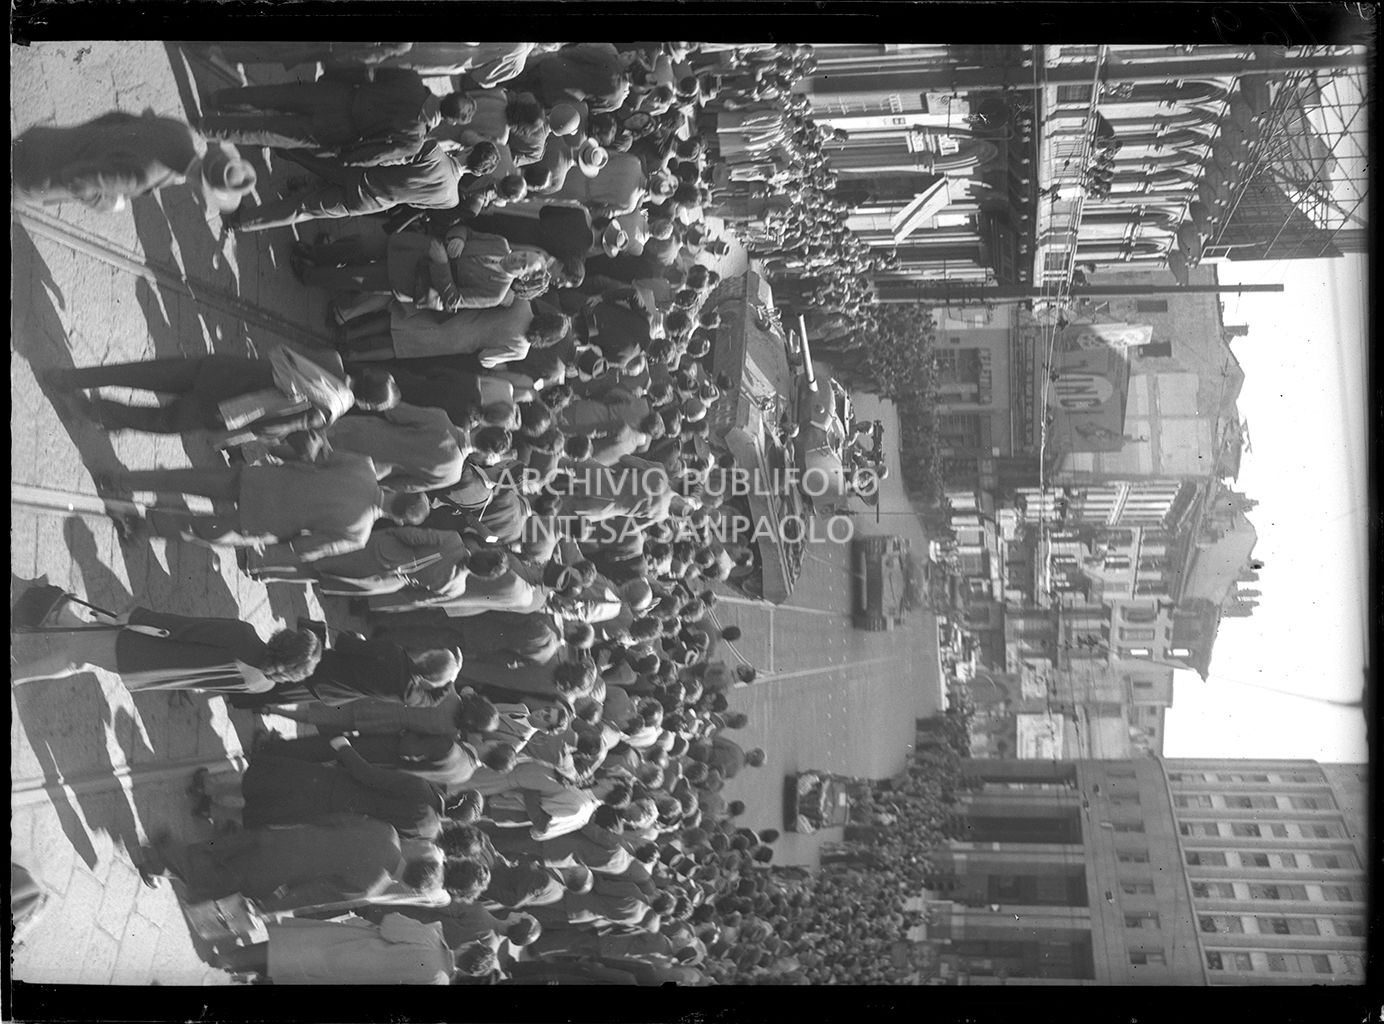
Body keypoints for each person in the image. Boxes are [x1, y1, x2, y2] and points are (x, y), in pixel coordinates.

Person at [98, 453, 429, 558]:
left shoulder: (364, 467)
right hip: (262, 520)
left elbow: (318, 455)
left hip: (262, 480)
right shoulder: (358, 534)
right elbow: (304, 548)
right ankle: (139, 526)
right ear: (397, 520)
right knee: (196, 529)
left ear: (401, 490)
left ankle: (119, 480)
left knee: (187, 479)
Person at [11, 586, 321, 697]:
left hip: (145, 648)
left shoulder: (244, 636)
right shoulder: (263, 685)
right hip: (149, 671)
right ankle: (55, 609)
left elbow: (184, 628)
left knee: (77, 653)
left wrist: (135, 617)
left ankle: (51, 611)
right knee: (81, 654)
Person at [43, 353, 397, 444]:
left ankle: (68, 378)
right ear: (365, 405)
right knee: (164, 423)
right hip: (222, 408)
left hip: (221, 370)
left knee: (139, 373)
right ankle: (100, 411)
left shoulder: (330, 358)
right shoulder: (327, 411)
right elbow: (272, 427)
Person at [194, 735, 480, 840]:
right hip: (334, 816)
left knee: (266, 781)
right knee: (270, 812)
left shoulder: (421, 789)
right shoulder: (427, 831)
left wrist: (343, 747)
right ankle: (212, 810)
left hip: (335, 785)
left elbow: (369, 775)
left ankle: (206, 785)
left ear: (456, 795)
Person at [134, 813, 418, 910]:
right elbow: (312, 894)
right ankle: (159, 862)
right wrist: (271, 905)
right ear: (407, 885)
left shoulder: (387, 832)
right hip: (275, 871)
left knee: (222, 847)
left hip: (289, 835)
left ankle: (169, 850)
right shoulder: (372, 885)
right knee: (218, 877)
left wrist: (301, 829)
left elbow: (336, 819)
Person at [229, 139, 468, 232]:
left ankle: (274, 143)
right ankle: (245, 222)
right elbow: (414, 203)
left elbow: (396, 155)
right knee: (304, 209)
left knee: (314, 160)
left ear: (468, 150)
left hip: (362, 173)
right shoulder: (451, 200)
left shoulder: (435, 151)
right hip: (369, 201)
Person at [12, 108, 203, 212]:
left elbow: (118, 117)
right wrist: (111, 203)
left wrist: (85, 137)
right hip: (32, 177)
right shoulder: (140, 177)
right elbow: (77, 181)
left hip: (41, 139)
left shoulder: (180, 131)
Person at [213, 913, 455, 984]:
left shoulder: (431, 939)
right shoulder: (439, 982)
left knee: (291, 950)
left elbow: (390, 924)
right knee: (296, 977)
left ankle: (230, 959)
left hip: (352, 949)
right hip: (354, 980)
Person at [325, 401, 468, 492]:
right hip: (364, 469)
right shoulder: (451, 476)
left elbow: (395, 411)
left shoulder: (441, 419)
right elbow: (403, 486)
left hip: (357, 432)